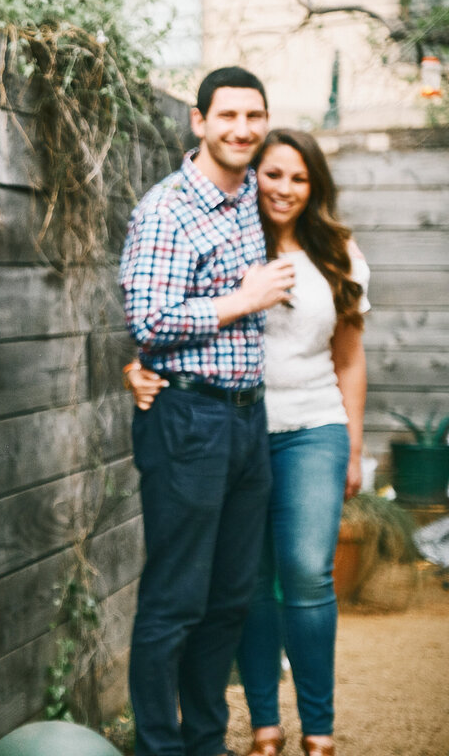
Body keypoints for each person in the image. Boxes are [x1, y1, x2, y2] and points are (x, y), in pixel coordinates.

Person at [126, 129, 368, 756]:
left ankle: (319, 728)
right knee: (245, 584)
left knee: (306, 572)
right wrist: (140, 365)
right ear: (254, 175)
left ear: (315, 186)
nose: (284, 188)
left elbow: (350, 356)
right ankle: (263, 724)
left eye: (299, 178)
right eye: (274, 174)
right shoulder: (233, 233)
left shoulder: (336, 252)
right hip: (240, 424)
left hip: (314, 427)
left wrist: (354, 441)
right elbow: (169, 311)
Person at [117, 66, 296, 756]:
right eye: (228, 116)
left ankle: (207, 743)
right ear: (199, 121)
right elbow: (149, 319)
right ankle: (161, 747)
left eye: (255, 116)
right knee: (175, 600)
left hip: (249, 420)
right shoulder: (166, 209)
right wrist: (241, 301)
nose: (243, 129)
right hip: (186, 419)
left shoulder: (260, 196)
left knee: (229, 599)